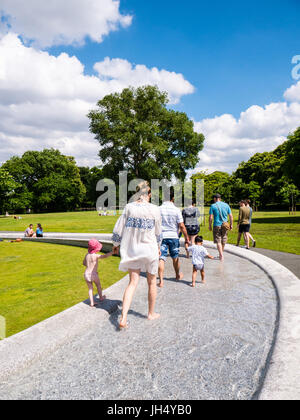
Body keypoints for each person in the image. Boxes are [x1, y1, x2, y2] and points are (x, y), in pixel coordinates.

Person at [112, 183, 162, 329]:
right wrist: (158, 247)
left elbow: (119, 228)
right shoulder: (155, 209)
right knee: (152, 282)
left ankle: (123, 317)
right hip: (150, 249)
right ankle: (151, 313)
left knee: (132, 283)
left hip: (133, 250)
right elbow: (159, 232)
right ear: (150, 194)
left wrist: (115, 244)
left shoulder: (129, 207)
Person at [158, 190, 190, 288]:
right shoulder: (176, 210)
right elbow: (181, 225)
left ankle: (161, 281)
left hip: (161, 237)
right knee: (175, 257)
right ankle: (177, 275)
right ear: (173, 198)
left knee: (161, 258)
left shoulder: (158, 209)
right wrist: (186, 238)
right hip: (173, 237)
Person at [83, 239, 113, 307]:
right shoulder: (95, 256)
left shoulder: (87, 255)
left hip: (86, 274)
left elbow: (84, 263)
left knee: (90, 288)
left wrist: (89, 265)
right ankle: (101, 297)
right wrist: (112, 252)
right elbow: (104, 256)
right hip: (94, 274)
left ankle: (92, 302)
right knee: (98, 286)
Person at [209, 193, 233, 261]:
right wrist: (231, 224)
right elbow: (231, 216)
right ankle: (221, 254)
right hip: (225, 225)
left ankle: (221, 255)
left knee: (218, 241)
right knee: (224, 239)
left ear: (215, 198)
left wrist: (210, 225)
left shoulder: (213, 206)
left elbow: (211, 217)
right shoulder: (226, 205)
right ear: (220, 198)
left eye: (214, 199)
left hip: (217, 225)